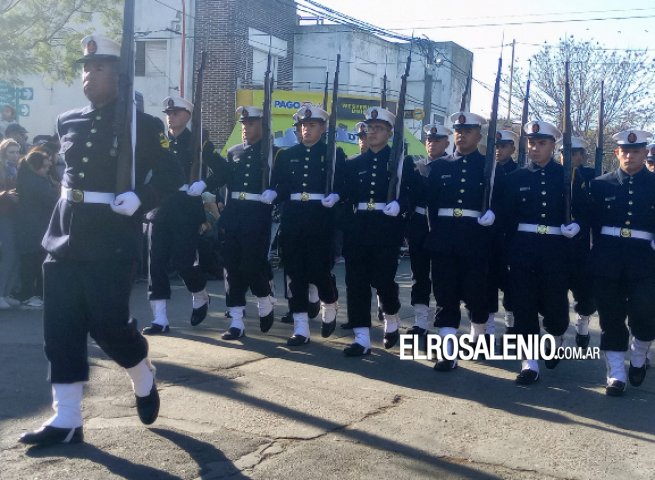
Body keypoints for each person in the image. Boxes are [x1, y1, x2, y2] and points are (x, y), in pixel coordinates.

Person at [19, 34, 185, 447]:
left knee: (107, 323)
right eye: (85, 68)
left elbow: (172, 176)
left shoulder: (142, 125)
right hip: (65, 232)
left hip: (111, 236)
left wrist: (141, 198)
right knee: (60, 327)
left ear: (120, 75)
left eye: (99, 68)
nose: (88, 75)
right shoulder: (67, 121)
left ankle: (141, 372)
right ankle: (67, 418)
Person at [499, 120, 587, 385]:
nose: (535, 148)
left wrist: (577, 226)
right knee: (524, 306)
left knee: (555, 308)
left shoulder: (568, 176)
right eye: (531, 143)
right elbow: (507, 218)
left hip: (555, 250)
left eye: (541, 143)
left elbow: (584, 213)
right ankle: (529, 363)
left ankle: (557, 335)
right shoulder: (516, 178)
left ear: (553, 145)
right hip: (524, 249)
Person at [188, 105, 277, 340]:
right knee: (231, 268)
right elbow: (224, 175)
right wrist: (206, 178)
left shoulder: (274, 152)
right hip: (234, 214)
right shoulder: (234, 152)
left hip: (257, 214)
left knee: (251, 264)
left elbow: (285, 180)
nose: (246, 128)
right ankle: (236, 321)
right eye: (244, 124)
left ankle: (263, 296)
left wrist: (275, 191)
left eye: (251, 123)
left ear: (263, 125)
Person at [424, 112, 496, 371]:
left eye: (468, 131)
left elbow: (503, 202)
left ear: (479, 134)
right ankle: (447, 352)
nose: (461, 135)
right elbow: (430, 204)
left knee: (476, 295)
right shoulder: (439, 167)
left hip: (476, 239)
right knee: (445, 295)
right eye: (458, 130)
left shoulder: (489, 166)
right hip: (444, 240)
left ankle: (478, 335)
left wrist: (493, 214)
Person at [269, 104, 344, 346]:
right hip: (293, 219)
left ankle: (329, 301)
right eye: (303, 125)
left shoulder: (334, 153)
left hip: (319, 219)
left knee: (319, 271)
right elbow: (281, 185)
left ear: (322, 128)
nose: (306, 130)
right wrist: (273, 193)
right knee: (294, 275)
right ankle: (301, 327)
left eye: (312, 125)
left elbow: (344, 184)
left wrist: (337, 195)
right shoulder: (286, 155)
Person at [341, 107, 413, 356]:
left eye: (378, 128)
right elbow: (345, 197)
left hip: (386, 228)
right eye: (370, 128)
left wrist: (400, 204)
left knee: (383, 280)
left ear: (390, 132)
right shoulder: (354, 163)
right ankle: (361, 337)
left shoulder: (402, 161)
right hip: (359, 227)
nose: (372, 132)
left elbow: (413, 194)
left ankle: (391, 316)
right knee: (356, 283)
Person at [589, 129, 655, 396]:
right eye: (624, 151)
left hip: (645, 258)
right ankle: (616, 373)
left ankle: (639, 354)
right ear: (616, 153)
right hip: (608, 258)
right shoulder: (600, 185)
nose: (629, 155)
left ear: (644, 153)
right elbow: (589, 224)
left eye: (636, 151)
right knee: (611, 316)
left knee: (645, 312)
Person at [141, 96, 212, 335]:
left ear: (188, 116)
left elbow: (223, 170)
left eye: (176, 112)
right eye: (168, 113)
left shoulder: (198, 142)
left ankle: (199, 292)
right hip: (159, 207)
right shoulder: (156, 142)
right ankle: (160, 318)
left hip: (185, 208)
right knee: (156, 262)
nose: (170, 117)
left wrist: (204, 183)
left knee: (183, 261)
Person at [405, 124, 452, 340]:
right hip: (419, 224)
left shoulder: (452, 167)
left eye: (437, 140)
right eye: (429, 140)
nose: (431, 143)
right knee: (419, 274)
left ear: (447, 143)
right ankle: (420, 321)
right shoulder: (416, 167)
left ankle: (445, 322)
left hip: (442, 225)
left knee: (443, 276)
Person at [558, 136, 596, 348]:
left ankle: (582, 325)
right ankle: (558, 333)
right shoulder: (555, 175)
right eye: (564, 153)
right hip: (558, 245)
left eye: (573, 153)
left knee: (584, 292)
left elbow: (596, 211)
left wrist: (581, 223)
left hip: (583, 245)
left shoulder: (592, 177)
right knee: (556, 292)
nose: (568, 157)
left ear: (582, 155)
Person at [14, 148, 59, 308]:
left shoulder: (27, 178)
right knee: (33, 262)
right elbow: (53, 200)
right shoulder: (35, 182)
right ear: (36, 165)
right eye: (45, 166)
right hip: (35, 227)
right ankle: (29, 295)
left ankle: (33, 294)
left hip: (31, 226)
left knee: (32, 261)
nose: (48, 169)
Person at [486, 130, 519, 335]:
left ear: (513, 149)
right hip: (489, 235)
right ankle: (488, 326)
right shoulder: (487, 170)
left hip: (512, 235)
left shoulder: (519, 173)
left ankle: (511, 322)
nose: (499, 150)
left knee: (511, 282)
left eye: (503, 146)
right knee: (488, 280)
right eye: (496, 146)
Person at [0, 139, 21, 309]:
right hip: (3, 215)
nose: (15, 155)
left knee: (15, 254)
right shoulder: (2, 168)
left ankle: (6, 294)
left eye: (16, 152)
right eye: (11, 152)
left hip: (15, 215)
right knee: (8, 253)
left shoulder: (18, 167)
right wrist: (5, 194)